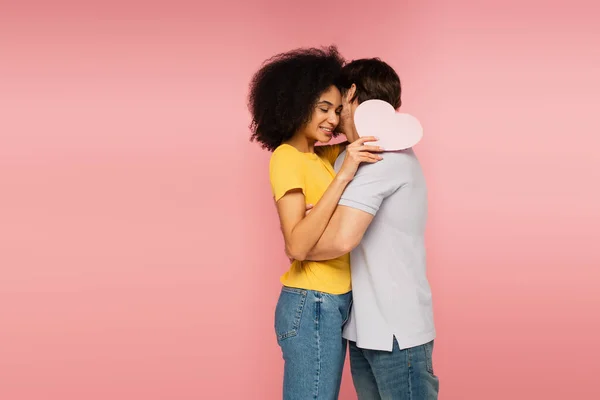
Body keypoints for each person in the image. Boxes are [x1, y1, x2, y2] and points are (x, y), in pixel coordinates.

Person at [248, 46, 383, 400]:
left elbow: (367, 141)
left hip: (336, 301)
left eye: (337, 111)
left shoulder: (323, 156)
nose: (332, 120)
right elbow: (296, 245)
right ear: (294, 104)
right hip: (312, 303)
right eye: (323, 109)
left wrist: (353, 108)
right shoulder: (287, 158)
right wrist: (342, 181)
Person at [305, 58, 440, 399]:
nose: (334, 113)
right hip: (364, 329)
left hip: (397, 332)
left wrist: (298, 244)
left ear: (351, 93)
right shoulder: (349, 159)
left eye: (338, 102)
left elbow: (341, 238)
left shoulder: (386, 159)